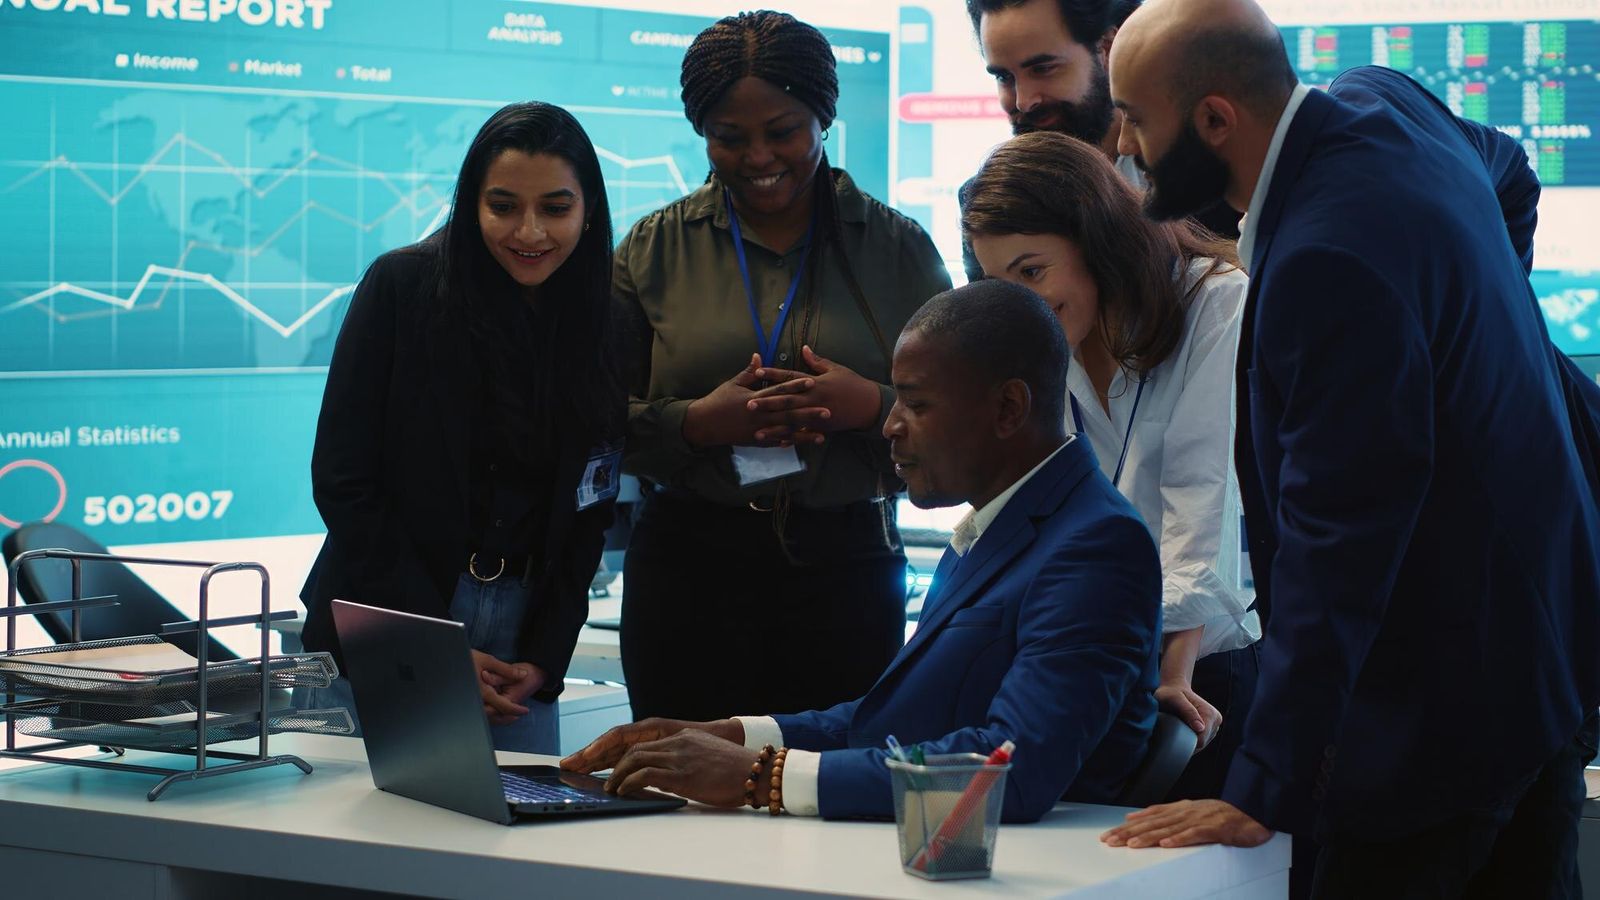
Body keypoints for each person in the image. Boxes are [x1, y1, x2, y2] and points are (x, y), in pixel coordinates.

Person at [1100, 1, 1600, 896]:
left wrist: (1265, 789)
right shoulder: (1386, 102)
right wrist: (1477, 350)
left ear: (1216, 120)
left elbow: (1338, 551)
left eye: (1136, 117)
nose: (1122, 143)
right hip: (1548, 648)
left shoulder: (1326, 263)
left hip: (1444, 711)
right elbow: (1512, 172)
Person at [562, 279, 1161, 822]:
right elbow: (896, 723)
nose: (890, 425)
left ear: (1009, 408)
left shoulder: (1095, 545)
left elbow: (1013, 769)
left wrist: (760, 777)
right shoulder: (1000, 525)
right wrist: (730, 735)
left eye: (917, 404)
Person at [615, 11, 953, 723]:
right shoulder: (651, 251)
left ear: (823, 120)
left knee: (825, 802)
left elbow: (962, 419)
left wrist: (872, 405)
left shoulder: (900, 251)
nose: (758, 157)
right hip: (687, 566)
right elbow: (591, 419)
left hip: (848, 566)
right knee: (679, 800)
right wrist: (697, 424)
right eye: (728, 138)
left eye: (784, 131)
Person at [294, 102, 623, 754]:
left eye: (556, 208)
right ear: (471, 205)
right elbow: (344, 481)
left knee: (511, 845)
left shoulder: (610, 321)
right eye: (503, 206)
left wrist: (547, 656)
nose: (529, 231)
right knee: (362, 845)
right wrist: (432, 639)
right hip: (393, 620)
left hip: (521, 656)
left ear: (589, 211)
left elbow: (593, 504)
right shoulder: (402, 287)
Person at [963, 129, 1257, 800]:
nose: (1021, 303)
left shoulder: (1214, 299)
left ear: (1095, 241)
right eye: (998, 283)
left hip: (1199, 662)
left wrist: (1172, 674)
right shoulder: (1042, 338)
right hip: (1094, 654)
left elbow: (1202, 500)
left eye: (1032, 272)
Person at [961, 0, 1236, 282]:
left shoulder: (1210, 178)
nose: (1023, 100)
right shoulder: (987, 208)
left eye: (1042, 68)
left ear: (1108, 49)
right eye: (1004, 77)